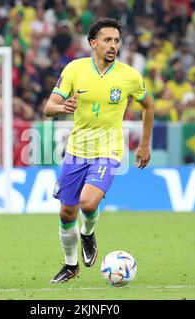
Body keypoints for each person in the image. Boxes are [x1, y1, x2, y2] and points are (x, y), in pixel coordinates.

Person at [43, 18, 154, 283]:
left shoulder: (129, 76)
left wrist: (144, 144)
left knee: (88, 202)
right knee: (66, 213)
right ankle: (71, 266)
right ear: (93, 43)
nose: (113, 45)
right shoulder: (75, 69)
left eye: (116, 41)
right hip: (76, 151)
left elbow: (148, 106)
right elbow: (49, 107)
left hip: (108, 150)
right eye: (107, 40)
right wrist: (62, 108)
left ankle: (88, 232)